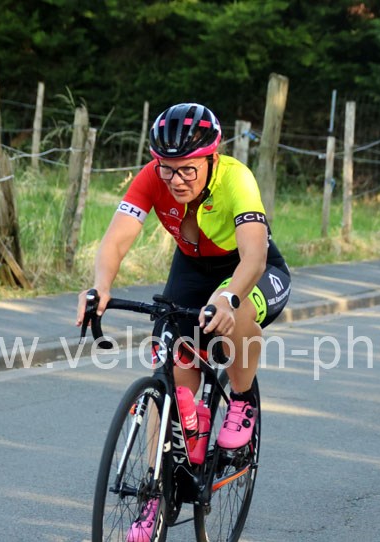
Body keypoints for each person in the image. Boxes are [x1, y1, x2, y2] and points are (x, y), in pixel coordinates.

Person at [76, 103, 291, 541]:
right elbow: (116, 239)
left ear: (212, 157)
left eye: (188, 169)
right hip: (192, 268)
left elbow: (254, 256)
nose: (176, 180)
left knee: (234, 313)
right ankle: (156, 495)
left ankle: (241, 400)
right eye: (167, 168)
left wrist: (228, 298)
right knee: (172, 373)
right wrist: (100, 287)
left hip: (250, 269)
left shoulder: (236, 179)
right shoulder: (151, 177)